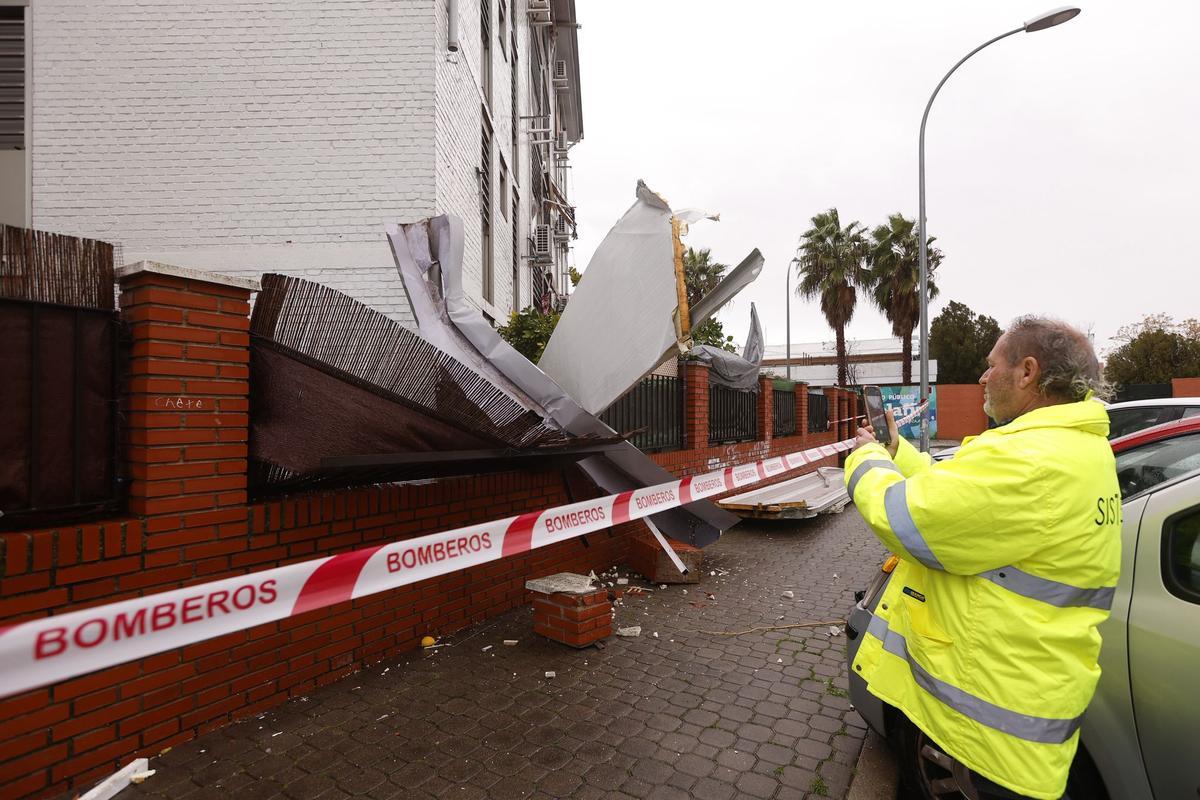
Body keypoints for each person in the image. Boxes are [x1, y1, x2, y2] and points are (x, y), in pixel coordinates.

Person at [844, 317, 1120, 800]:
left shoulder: (1031, 459)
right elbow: (958, 496)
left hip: (994, 738)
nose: (982, 378)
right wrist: (898, 451)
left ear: (1027, 371)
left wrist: (864, 460)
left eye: (992, 366)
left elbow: (904, 518)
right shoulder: (1071, 447)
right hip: (1018, 704)